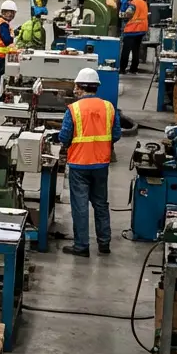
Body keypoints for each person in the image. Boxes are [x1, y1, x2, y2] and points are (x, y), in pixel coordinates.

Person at [59, 68, 121, 257]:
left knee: (80, 206)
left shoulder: (74, 109)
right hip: (101, 165)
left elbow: (64, 136)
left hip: (79, 165)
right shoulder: (109, 107)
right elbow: (116, 134)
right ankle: (104, 243)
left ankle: (81, 246)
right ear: (96, 87)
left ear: (79, 87)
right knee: (101, 204)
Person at [118, 0, 148, 75]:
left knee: (126, 50)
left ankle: (122, 69)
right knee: (136, 49)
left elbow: (128, 14)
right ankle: (134, 68)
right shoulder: (143, 2)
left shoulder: (133, 4)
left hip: (132, 30)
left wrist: (120, 14)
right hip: (142, 29)